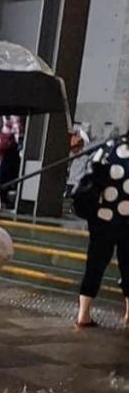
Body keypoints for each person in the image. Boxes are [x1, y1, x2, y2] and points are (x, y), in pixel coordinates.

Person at [76, 136, 129, 328]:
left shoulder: (107, 149)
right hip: (126, 221)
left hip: (101, 220)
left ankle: (83, 314)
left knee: (94, 266)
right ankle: (128, 313)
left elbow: (89, 175)